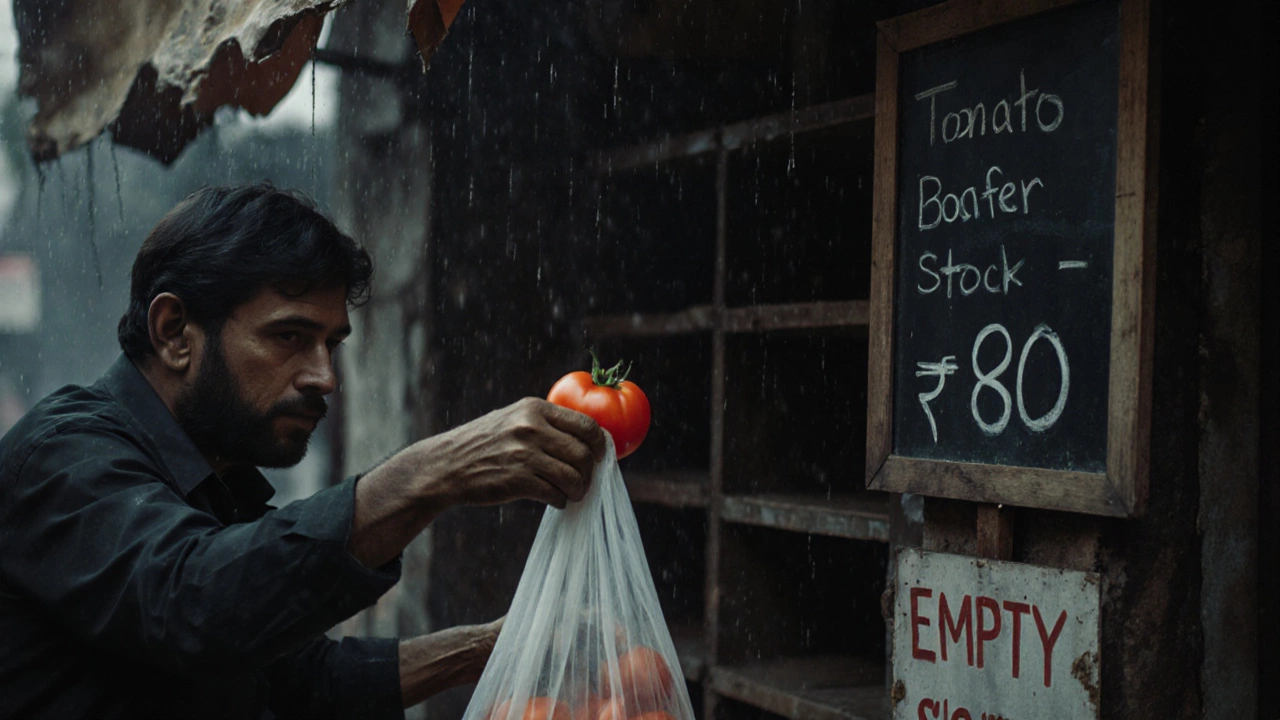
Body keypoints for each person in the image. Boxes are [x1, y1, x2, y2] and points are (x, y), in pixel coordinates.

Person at [0, 184, 606, 719]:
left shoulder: (214, 479)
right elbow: (196, 605)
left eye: (330, 344)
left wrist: (501, 644)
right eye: (288, 336)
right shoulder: (64, 458)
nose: (324, 378)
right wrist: (431, 472)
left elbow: (300, 680)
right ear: (174, 332)